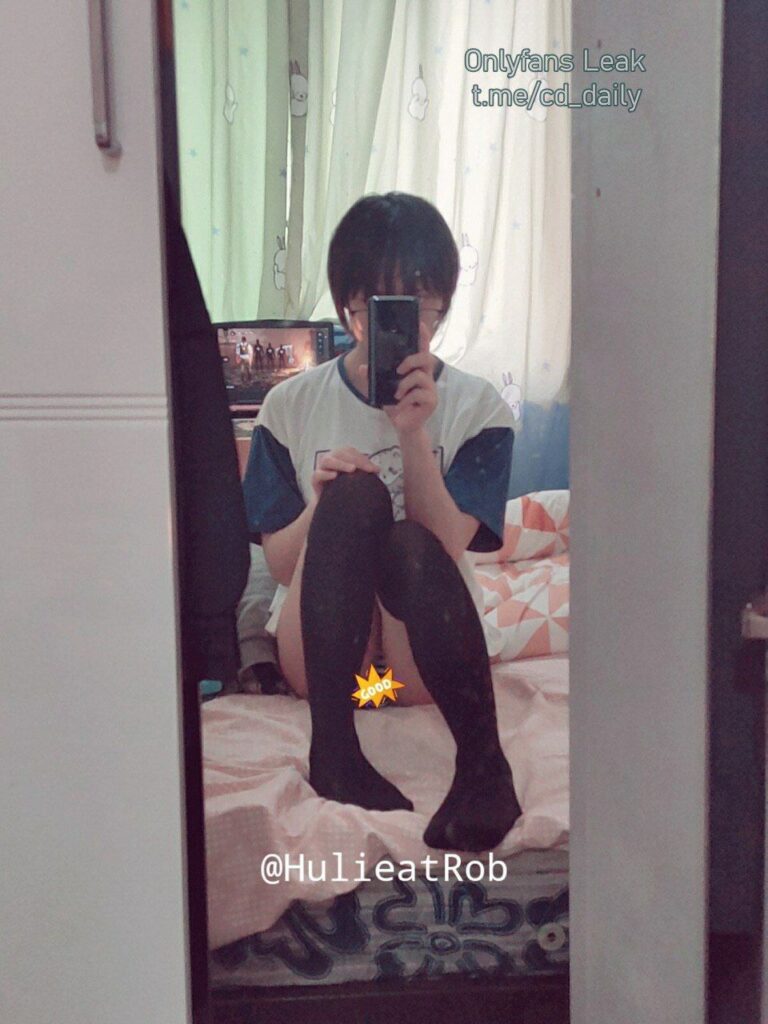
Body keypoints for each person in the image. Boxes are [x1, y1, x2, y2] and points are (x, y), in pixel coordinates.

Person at [243, 192, 521, 852]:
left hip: (419, 669)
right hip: (325, 671)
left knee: (404, 539)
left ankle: (484, 764)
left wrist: (413, 434)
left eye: (418, 304)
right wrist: (321, 505)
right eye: (378, 305)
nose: (402, 323)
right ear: (348, 307)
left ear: (443, 305)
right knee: (352, 497)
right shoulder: (287, 406)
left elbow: (448, 544)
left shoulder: (479, 407)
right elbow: (278, 565)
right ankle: (334, 750)